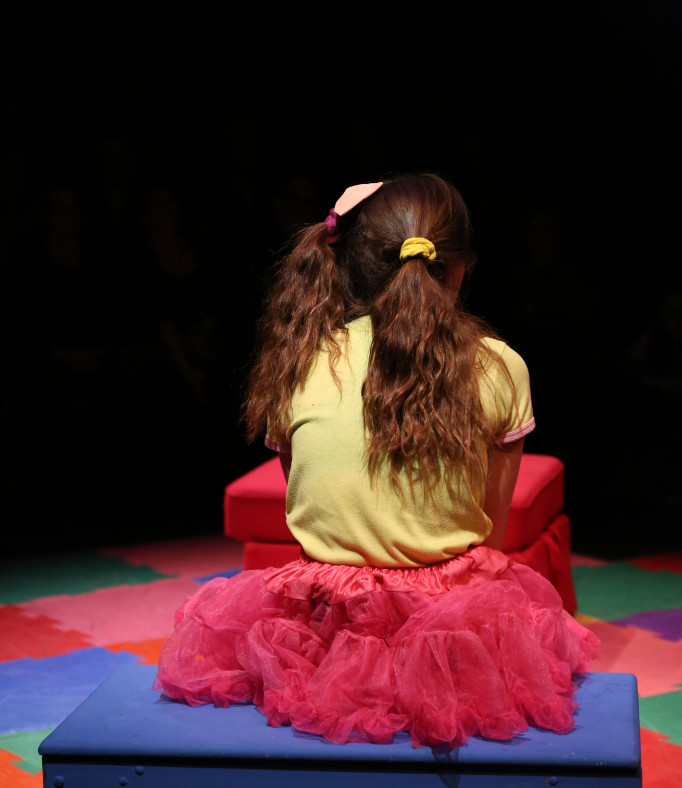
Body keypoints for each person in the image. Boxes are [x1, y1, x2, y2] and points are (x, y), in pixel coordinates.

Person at [154, 174, 598, 747]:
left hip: (323, 632)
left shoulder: (299, 362)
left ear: (353, 263)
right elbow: (490, 529)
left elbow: (307, 511)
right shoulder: (499, 367)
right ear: (459, 267)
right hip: (449, 628)